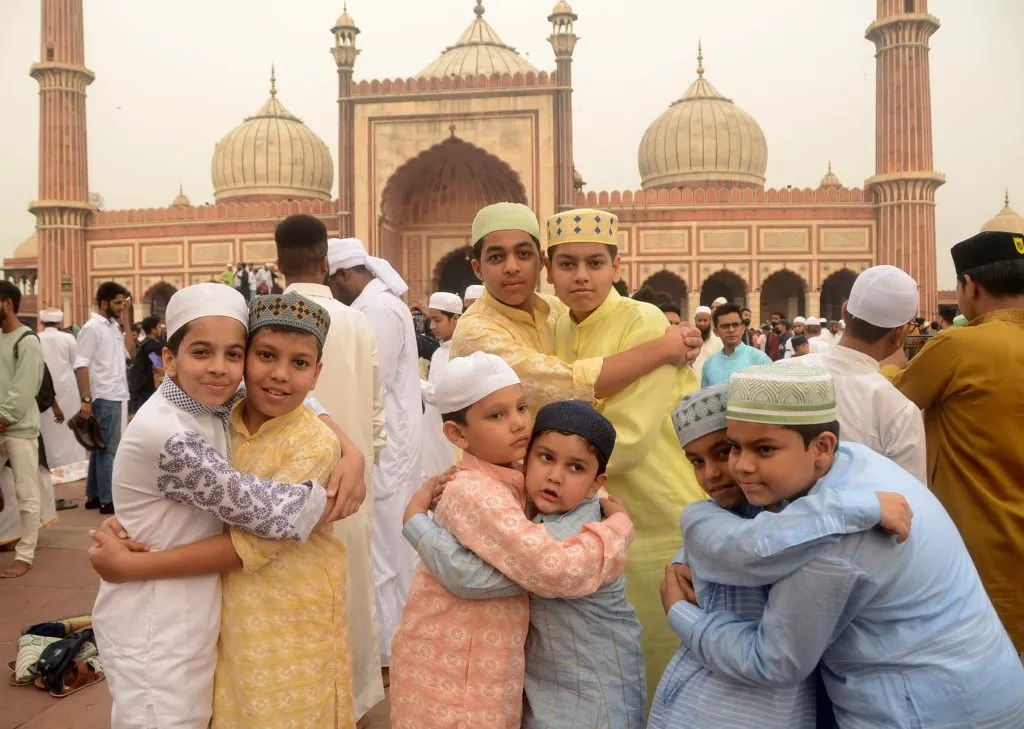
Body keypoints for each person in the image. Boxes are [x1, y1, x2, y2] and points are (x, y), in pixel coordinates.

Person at [661, 361, 1024, 728]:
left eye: (764, 449)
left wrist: (682, 613)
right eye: (735, 448)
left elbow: (773, 660)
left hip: (927, 710)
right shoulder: (856, 462)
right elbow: (744, 535)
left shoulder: (833, 541)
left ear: (821, 446)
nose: (741, 467)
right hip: (975, 686)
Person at [92, 294, 361, 728]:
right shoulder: (173, 433)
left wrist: (350, 453)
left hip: (228, 607)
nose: (219, 366)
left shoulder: (214, 403)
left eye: (232, 354)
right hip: (157, 615)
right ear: (169, 358)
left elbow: (291, 394)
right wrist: (322, 497)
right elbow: (276, 515)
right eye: (202, 352)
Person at [390, 352, 634, 729]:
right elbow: (547, 570)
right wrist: (618, 528)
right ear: (457, 434)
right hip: (458, 676)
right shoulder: (477, 492)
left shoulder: (515, 480)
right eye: (497, 415)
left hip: (478, 667)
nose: (519, 424)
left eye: (521, 407)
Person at [650, 384, 913, 729]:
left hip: (778, 707)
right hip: (703, 701)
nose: (713, 473)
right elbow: (752, 546)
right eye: (697, 461)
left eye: (724, 451)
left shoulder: (806, 517)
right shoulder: (701, 519)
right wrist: (861, 506)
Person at [545, 208, 705, 696]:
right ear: (549, 272)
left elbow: (626, 441)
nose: (581, 276)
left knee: (656, 665)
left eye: (595, 263)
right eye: (567, 264)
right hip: (594, 520)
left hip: (654, 521)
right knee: (606, 670)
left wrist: (539, 470)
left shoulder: (644, 321)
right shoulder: (558, 327)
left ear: (617, 268)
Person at [883, 230, 1024, 652]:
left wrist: (884, 364)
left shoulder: (958, 346)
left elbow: (896, 397)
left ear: (970, 286)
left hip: (985, 551)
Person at [275, 214, 386, 718]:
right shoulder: (358, 322)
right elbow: (377, 416)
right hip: (352, 488)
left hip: (281, 492)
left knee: (290, 606)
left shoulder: (266, 319)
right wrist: (361, 463)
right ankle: (357, 701)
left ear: (278, 266)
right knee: (353, 598)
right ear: (325, 262)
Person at [450, 202, 702, 417]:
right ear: (477, 268)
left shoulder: (558, 311)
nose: (512, 267)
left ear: (541, 263)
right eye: (496, 258)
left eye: (524, 254)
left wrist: (676, 333)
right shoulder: (474, 331)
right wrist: (663, 348)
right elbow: (564, 382)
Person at [327, 236, 423, 673]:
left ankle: (388, 652)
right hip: (387, 444)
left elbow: (373, 381)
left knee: (384, 551)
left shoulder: (379, 310)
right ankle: (393, 644)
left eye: (333, 283)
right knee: (388, 550)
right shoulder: (373, 305)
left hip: (389, 450)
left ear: (345, 274)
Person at [802, 265, 926, 482]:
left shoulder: (781, 374)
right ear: (899, 333)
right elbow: (911, 503)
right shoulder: (899, 410)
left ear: (844, 311)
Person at [75, 281, 134, 514]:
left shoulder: (112, 326)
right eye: (118, 303)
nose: (122, 306)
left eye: (123, 302)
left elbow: (131, 352)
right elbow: (81, 364)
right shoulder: (92, 327)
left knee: (100, 447)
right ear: (103, 303)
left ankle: (94, 495)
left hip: (117, 393)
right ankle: (108, 500)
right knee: (109, 450)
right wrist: (86, 399)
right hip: (105, 395)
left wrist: (126, 320)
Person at [0, 281, 44, 578]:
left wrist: (3, 418)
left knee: (26, 494)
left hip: (18, 428)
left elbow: (25, 388)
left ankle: (25, 555)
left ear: (5, 303)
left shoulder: (26, 340)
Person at [37, 308, 87, 472]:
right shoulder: (68, 338)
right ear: (59, 323)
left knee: (47, 426)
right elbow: (76, 363)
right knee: (68, 424)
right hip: (67, 387)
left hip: (44, 388)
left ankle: (50, 463)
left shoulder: (36, 337)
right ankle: (72, 463)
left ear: (42, 322)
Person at [421, 291, 463, 475]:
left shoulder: (460, 351)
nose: (432, 326)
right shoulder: (439, 352)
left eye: (438, 320)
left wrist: (411, 381)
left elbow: (440, 395)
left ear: (455, 319)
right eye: (431, 320)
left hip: (448, 434)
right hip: (431, 430)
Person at [700, 303, 771, 387]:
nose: (731, 330)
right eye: (725, 326)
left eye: (735, 325)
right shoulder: (709, 364)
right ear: (716, 332)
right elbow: (705, 397)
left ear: (743, 328)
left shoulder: (759, 359)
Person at [127, 315, 164, 416]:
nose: (160, 328)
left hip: (138, 387)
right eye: (158, 326)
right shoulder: (153, 345)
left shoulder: (145, 343)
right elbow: (157, 365)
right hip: (146, 389)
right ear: (153, 329)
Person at [690, 305, 723, 383]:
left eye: (705, 320)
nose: (702, 323)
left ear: (710, 320)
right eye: (699, 320)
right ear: (695, 320)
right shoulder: (689, 337)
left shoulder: (718, 340)